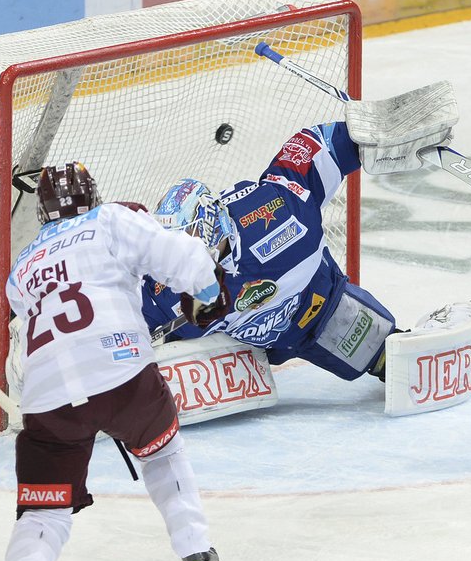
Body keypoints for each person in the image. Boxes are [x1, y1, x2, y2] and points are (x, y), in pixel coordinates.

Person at [0, 163, 230, 561]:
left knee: (45, 509)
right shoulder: (110, 219)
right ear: (92, 195)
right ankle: (194, 545)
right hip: (124, 374)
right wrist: (210, 291)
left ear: (44, 210)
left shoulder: (21, 268)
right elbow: (181, 255)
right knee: (162, 451)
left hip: (48, 401)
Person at [141, 121, 398, 383]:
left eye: (186, 236)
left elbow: (320, 148)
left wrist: (372, 131)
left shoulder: (277, 209)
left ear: (211, 225)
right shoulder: (161, 288)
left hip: (321, 310)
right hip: (247, 355)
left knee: (388, 358)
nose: (176, 252)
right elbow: (120, 322)